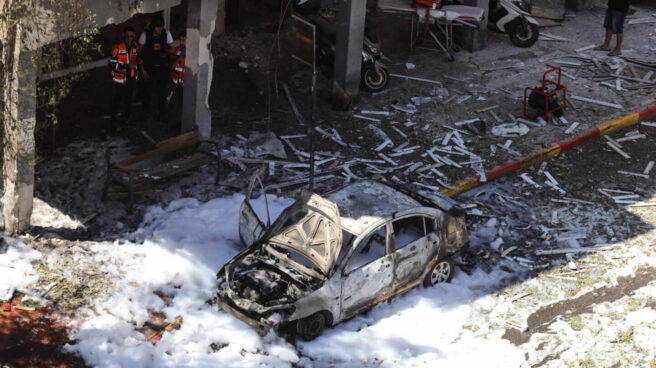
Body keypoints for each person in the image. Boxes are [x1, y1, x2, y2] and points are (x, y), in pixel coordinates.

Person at [138, 16, 173, 121]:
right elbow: (138, 54)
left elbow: (173, 49)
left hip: (162, 67)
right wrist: (142, 69)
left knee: (162, 91)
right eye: (157, 27)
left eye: (161, 27)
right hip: (149, 67)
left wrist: (166, 52)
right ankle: (145, 113)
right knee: (147, 91)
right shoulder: (145, 35)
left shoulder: (166, 34)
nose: (159, 29)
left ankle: (162, 114)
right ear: (153, 27)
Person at [109, 26, 140, 129]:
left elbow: (136, 58)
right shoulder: (117, 48)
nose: (129, 38)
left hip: (131, 77)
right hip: (120, 79)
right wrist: (126, 66)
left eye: (131, 36)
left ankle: (127, 118)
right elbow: (111, 64)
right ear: (123, 35)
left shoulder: (135, 46)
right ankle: (113, 120)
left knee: (129, 99)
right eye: (127, 36)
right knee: (117, 99)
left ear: (134, 36)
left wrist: (138, 62)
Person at [172, 31, 186, 109]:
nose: (181, 42)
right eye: (180, 40)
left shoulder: (190, 52)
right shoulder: (177, 49)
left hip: (185, 82)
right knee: (181, 101)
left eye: (184, 40)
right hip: (178, 81)